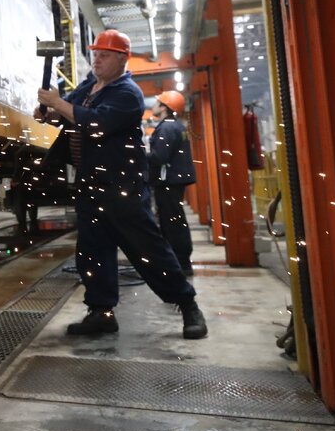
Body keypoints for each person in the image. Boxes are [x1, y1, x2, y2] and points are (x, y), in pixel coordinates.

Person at [35, 30, 207, 339]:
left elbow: (94, 122)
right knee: (92, 251)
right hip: (91, 185)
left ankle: (188, 304)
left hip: (121, 188)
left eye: (104, 55)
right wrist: (48, 113)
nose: (96, 59)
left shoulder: (127, 94)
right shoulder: (90, 85)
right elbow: (70, 115)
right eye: (96, 53)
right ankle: (101, 312)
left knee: (147, 250)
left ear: (121, 59)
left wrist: (57, 104)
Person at [148, 90, 197, 275]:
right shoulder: (176, 126)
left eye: (157, 102)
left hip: (168, 181)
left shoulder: (167, 128)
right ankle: (180, 261)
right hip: (174, 180)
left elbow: (159, 157)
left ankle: (180, 263)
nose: (153, 105)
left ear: (164, 107)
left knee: (172, 223)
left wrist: (140, 155)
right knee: (175, 221)